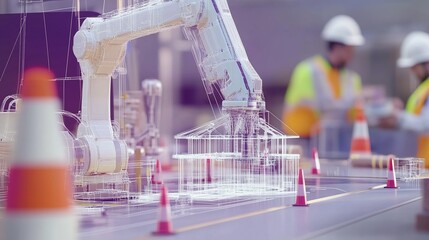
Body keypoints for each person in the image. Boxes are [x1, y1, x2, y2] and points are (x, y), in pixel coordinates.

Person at [283, 15, 364, 138]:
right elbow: (304, 112)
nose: (353, 53)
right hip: (306, 143)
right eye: (350, 48)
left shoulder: (353, 79)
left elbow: (354, 116)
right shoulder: (307, 71)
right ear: (337, 47)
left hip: (338, 144)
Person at [378, 31, 429, 168]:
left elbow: (425, 124)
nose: (413, 72)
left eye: (415, 67)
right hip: (422, 163)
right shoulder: (423, 89)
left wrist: (398, 117)